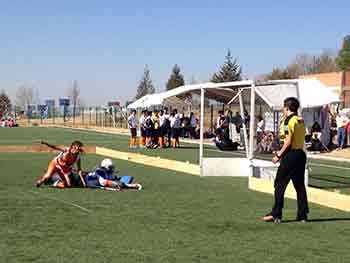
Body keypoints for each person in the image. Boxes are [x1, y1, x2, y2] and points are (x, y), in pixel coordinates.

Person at [263, 97, 309, 223]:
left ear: (287, 108)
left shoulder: (288, 121)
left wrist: (278, 155)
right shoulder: (300, 119)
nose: (283, 109)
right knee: (299, 185)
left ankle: (276, 213)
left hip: (291, 155)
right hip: (300, 154)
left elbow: (288, 141)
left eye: (284, 107)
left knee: (279, 184)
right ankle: (303, 214)